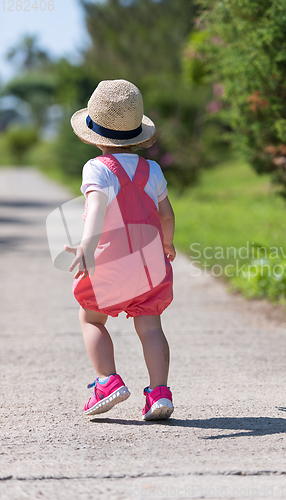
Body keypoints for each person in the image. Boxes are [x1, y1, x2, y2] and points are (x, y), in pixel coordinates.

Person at [65, 79, 176, 421]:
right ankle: (159, 393)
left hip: (110, 262)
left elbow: (96, 207)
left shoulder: (97, 168)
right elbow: (167, 214)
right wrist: (168, 243)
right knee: (151, 326)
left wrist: (87, 243)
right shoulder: (152, 169)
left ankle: (108, 382)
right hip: (149, 263)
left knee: (92, 319)